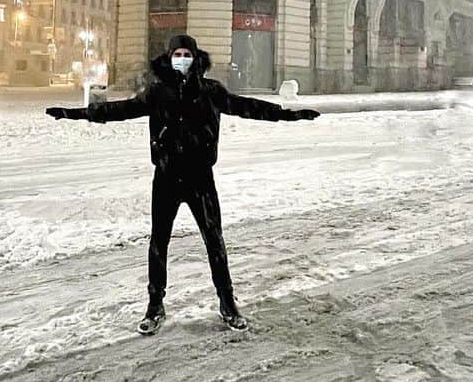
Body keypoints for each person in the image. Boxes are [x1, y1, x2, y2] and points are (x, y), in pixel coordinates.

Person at [47, 32, 320, 335]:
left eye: (186, 54)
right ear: (169, 58)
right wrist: (76, 114)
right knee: (158, 242)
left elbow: (246, 107)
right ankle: (155, 305)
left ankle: (227, 302)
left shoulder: (210, 91)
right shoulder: (157, 92)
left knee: (214, 240)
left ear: (195, 57)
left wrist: (287, 115)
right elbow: (119, 110)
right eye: (176, 54)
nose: (182, 60)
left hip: (200, 178)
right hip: (165, 177)